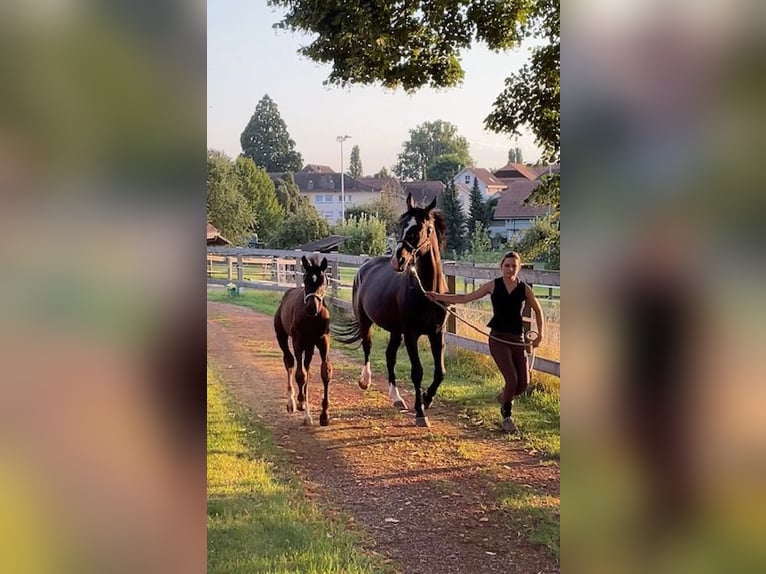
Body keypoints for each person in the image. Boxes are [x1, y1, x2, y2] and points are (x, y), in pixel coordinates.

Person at [425, 251, 544, 433]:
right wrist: (438, 296)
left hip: (518, 339)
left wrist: (540, 334)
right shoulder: (493, 286)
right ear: (501, 266)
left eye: (514, 266)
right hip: (498, 339)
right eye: (507, 265)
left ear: (518, 268)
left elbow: (538, 310)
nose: (510, 269)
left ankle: (504, 397)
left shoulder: (524, 289)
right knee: (512, 379)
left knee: (523, 383)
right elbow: (465, 298)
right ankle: (507, 417)